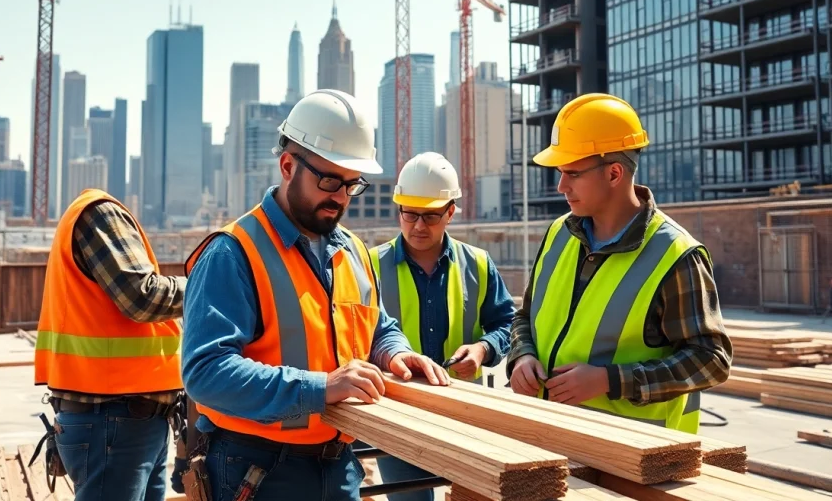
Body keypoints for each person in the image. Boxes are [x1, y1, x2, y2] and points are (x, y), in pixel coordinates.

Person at [181, 89, 450, 501]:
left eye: (351, 185)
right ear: (288, 165)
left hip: (339, 463)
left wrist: (394, 352)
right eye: (329, 181)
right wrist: (320, 388)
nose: (340, 197)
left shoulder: (352, 251)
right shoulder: (233, 252)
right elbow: (205, 372)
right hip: (257, 469)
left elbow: (375, 325)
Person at [507, 93, 733, 434]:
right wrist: (522, 355)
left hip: (633, 456)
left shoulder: (675, 254)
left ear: (614, 173)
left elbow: (711, 361)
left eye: (572, 173)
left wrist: (610, 380)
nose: (561, 185)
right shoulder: (558, 234)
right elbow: (526, 316)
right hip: (549, 435)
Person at [368, 152, 515, 501]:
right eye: (410, 214)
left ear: (450, 212)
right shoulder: (370, 265)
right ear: (398, 209)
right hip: (398, 417)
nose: (418, 225)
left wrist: (482, 349)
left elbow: (506, 323)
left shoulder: (477, 264)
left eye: (431, 215)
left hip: (464, 414)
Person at [33, 188, 186, 501]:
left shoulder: (92, 212)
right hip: (113, 420)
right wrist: (209, 283)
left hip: (130, 420)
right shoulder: (100, 213)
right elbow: (142, 297)